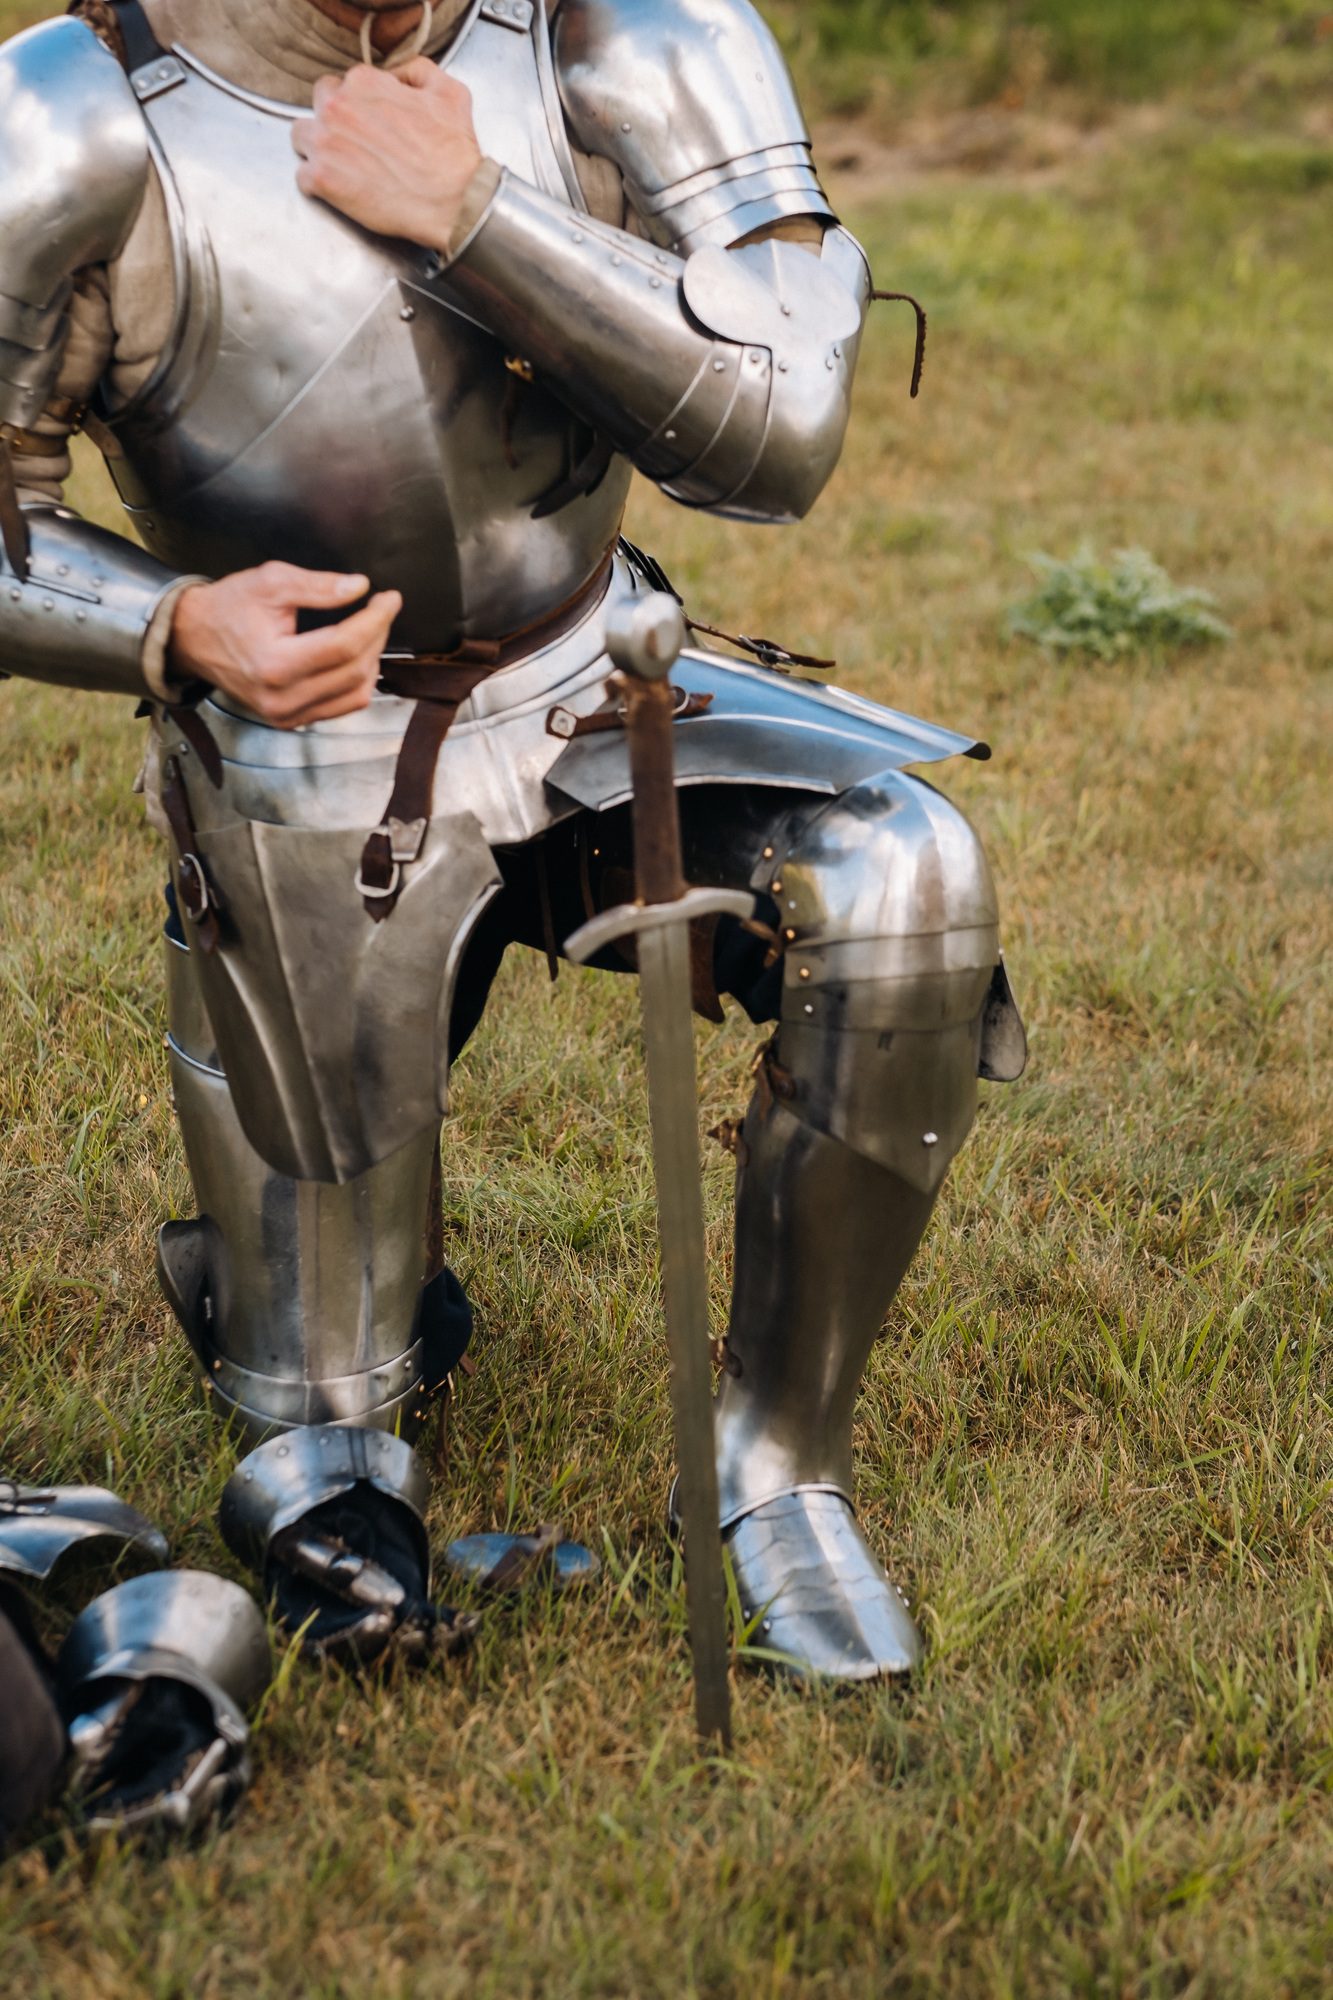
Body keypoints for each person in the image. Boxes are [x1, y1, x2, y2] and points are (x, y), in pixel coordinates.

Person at [0, 0, 1025, 1685]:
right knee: (321, 1444)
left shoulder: (617, 32)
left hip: (590, 680)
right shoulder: (78, 111)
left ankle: (774, 1476)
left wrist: (475, 210)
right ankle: (313, 1353)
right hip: (306, 753)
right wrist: (176, 625)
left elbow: (779, 432)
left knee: (903, 876)